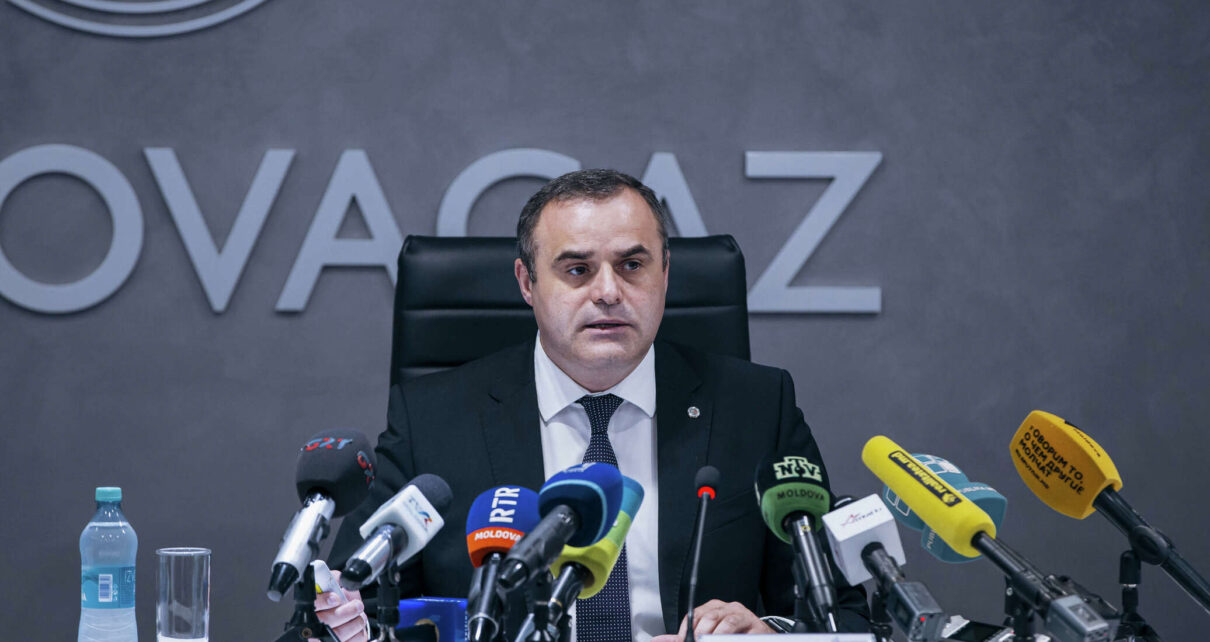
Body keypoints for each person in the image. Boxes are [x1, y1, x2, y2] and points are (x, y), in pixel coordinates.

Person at [315, 169, 869, 642]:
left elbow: (842, 611)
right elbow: (352, 604)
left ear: (665, 273)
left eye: (632, 265)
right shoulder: (432, 422)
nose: (608, 291)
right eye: (577, 270)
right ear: (527, 282)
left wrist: (771, 632)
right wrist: (345, 617)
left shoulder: (757, 408)